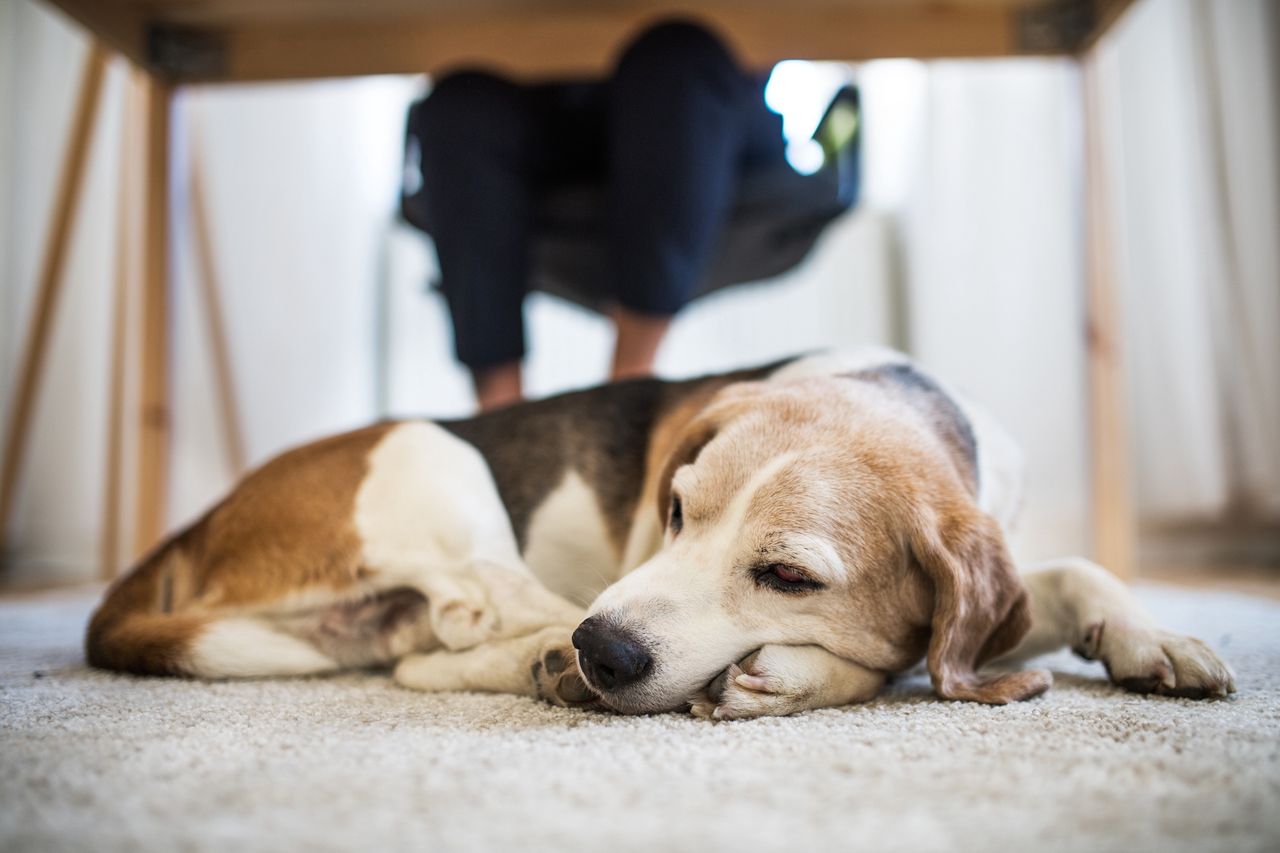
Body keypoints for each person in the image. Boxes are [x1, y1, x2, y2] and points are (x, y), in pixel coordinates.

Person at [411, 19, 787, 410]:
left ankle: (628, 394)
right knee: (460, 106)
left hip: (701, 116)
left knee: (676, 57)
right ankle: (502, 414)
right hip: (543, 113)